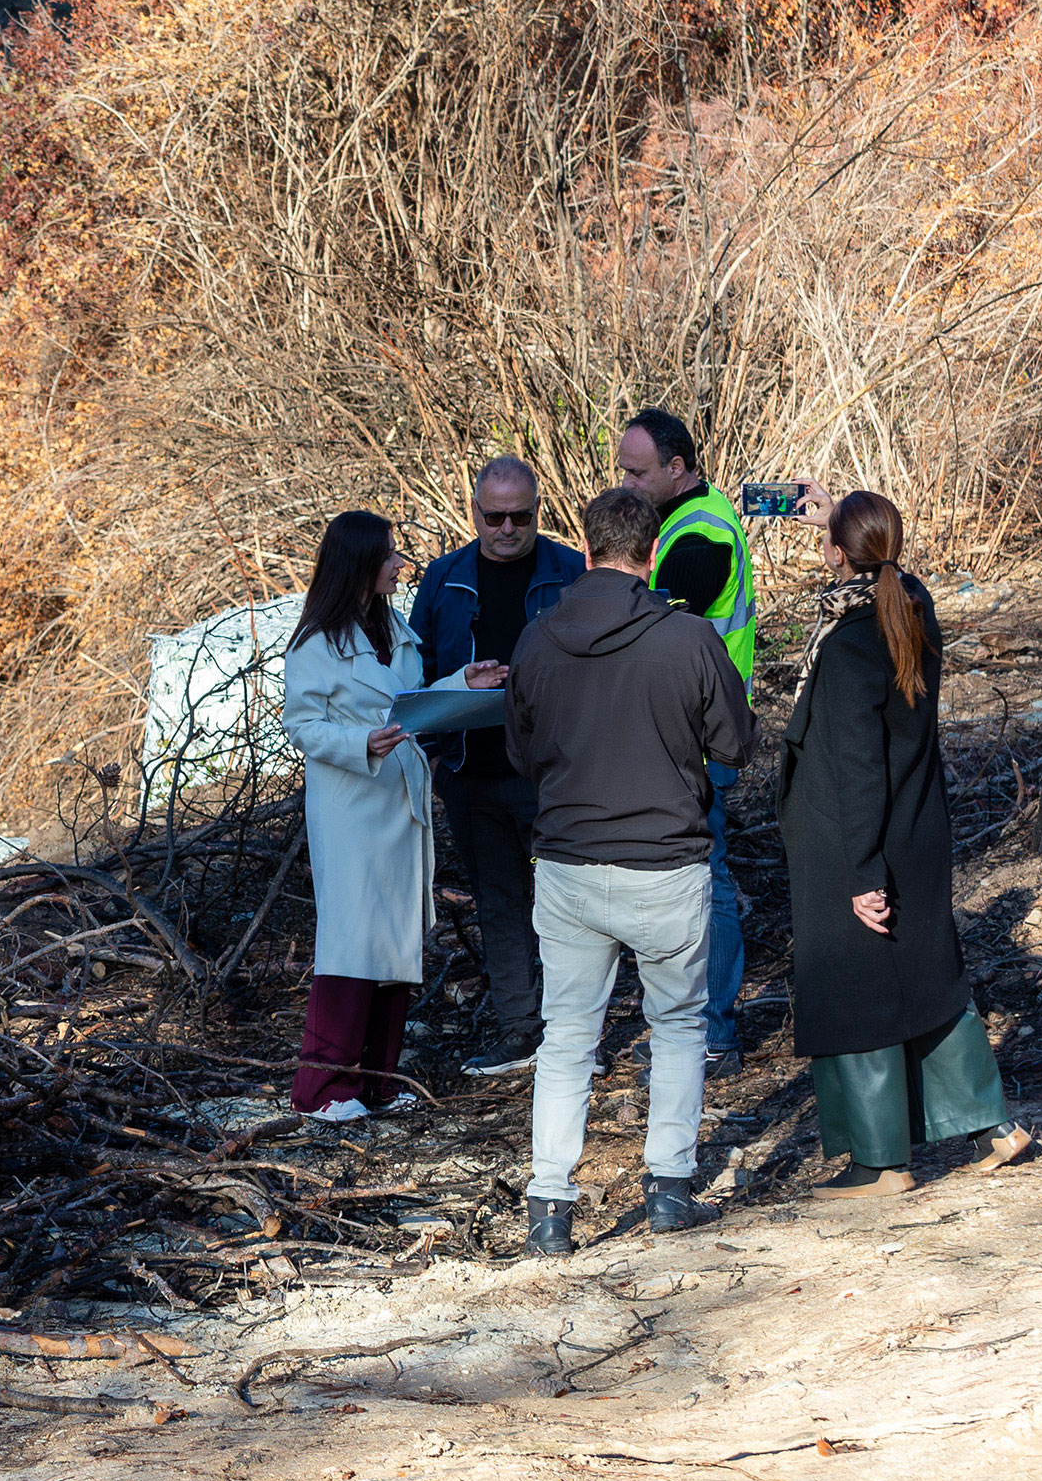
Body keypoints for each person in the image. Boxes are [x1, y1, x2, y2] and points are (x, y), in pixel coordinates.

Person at [505, 487, 757, 1254]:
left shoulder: (538, 640)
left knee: (568, 1035)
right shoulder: (686, 639)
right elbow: (736, 744)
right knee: (677, 1027)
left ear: (584, 552)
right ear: (651, 556)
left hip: (570, 864)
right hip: (665, 864)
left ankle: (550, 1204)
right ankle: (671, 1190)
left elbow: (522, 754)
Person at [777, 487, 1037, 1196]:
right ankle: (995, 1123)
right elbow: (883, 573)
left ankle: (879, 1161)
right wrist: (835, 521)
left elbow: (858, 765)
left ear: (837, 554)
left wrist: (861, 872)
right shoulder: (910, 609)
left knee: (857, 988)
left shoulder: (851, 641)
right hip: (917, 826)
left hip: (859, 838)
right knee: (923, 981)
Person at [281, 509, 507, 1123]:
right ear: (357, 562)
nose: (399, 563)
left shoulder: (394, 625)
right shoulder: (316, 643)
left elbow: (410, 701)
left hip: (401, 804)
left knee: (395, 943)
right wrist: (360, 744)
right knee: (351, 945)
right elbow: (300, 724)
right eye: (388, 555)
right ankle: (321, 1090)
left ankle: (376, 1082)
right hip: (353, 808)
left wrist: (464, 680)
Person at [412, 456, 585, 1076]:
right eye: (495, 516)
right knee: (498, 903)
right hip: (471, 772)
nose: (508, 528)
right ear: (474, 512)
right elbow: (418, 671)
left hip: (552, 772)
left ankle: (573, 1032)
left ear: (538, 510)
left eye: (521, 516)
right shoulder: (445, 579)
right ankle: (520, 1029)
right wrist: (436, 755)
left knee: (573, 902)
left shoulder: (569, 571)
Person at [616, 408, 760, 1074]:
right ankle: (703, 1027)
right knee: (696, 879)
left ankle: (712, 1031)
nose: (628, 482)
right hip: (694, 730)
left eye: (638, 472)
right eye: (624, 469)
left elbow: (650, 626)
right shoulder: (687, 517)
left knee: (702, 881)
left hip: (696, 737)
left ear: (678, 467)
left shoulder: (699, 535)